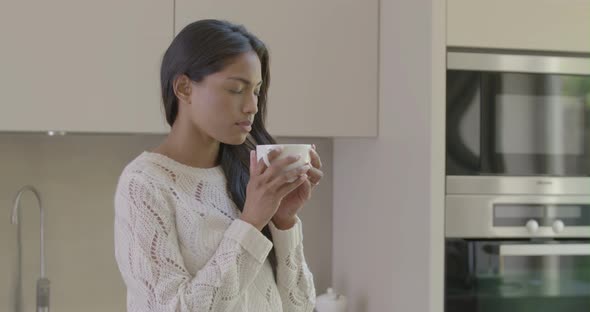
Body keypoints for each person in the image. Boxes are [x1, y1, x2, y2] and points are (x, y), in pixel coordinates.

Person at [113, 19, 323, 312]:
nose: (252, 106)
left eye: (256, 91)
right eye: (237, 89)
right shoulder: (144, 184)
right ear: (184, 88)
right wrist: (251, 222)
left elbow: (299, 306)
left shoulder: (247, 177)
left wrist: (283, 220)